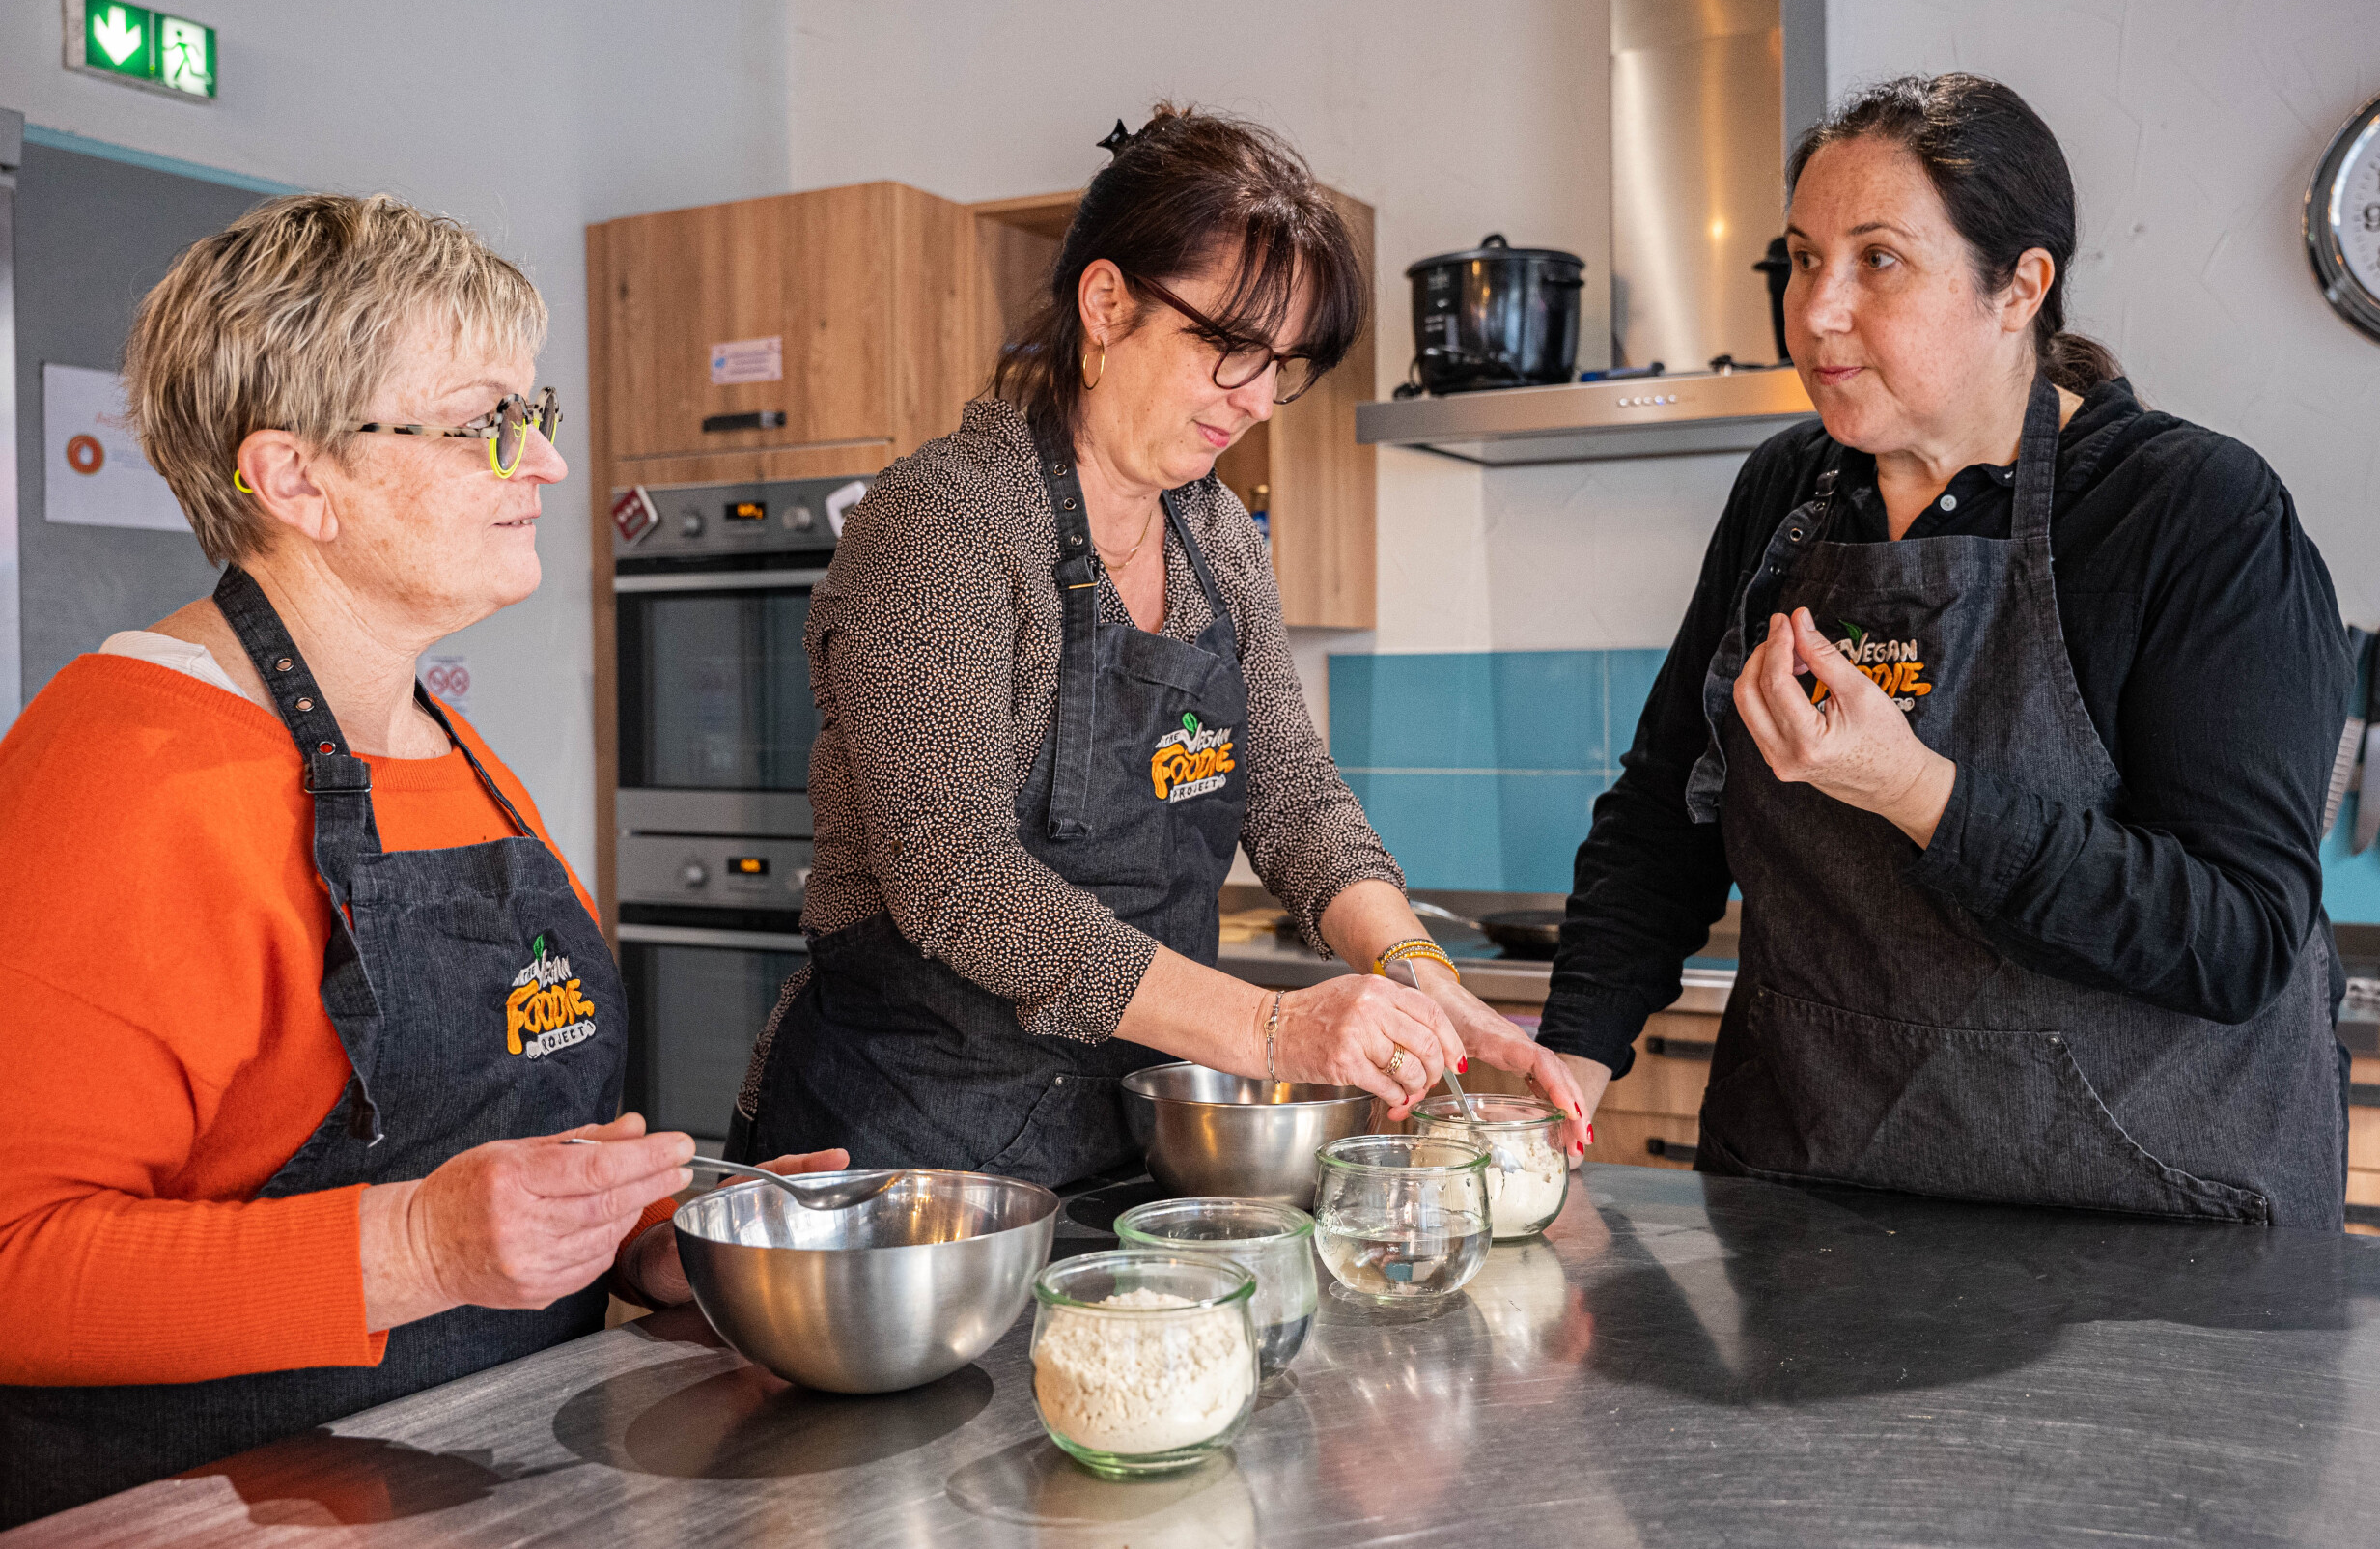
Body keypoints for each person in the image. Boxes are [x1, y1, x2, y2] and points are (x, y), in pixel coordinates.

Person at [0, 195, 841, 1526]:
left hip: (476, 1473)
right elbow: (16, 1266)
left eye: (536, 412)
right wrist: (419, 1244)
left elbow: (485, 1144)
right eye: (483, 422)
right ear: (294, 480)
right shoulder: (122, 769)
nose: (548, 465)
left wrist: (651, 1233)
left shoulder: (445, 743)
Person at [1539, 74, 2351, 1228]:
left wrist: (1919, 792)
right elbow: (1666, 812)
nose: (1817, 311)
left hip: (2143, 1231)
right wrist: (1571, 1061)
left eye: (1877, 260)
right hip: (1810, 1204)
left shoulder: (2194, 512)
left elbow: (2236, 935)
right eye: (1801, 257)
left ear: (2020, 286)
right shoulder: (1785, 495)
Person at [735, 107, 1587, 1184]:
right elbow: (957, 877)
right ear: (1106, 305)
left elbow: (1290, 791)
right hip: (907, 1157)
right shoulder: (944, 521)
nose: (1258, 398)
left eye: (1283, 365)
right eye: (1229, 346)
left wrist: (1416, 964)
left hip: (1124, 1140)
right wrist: (1275, 1032)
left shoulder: (1216, 534)